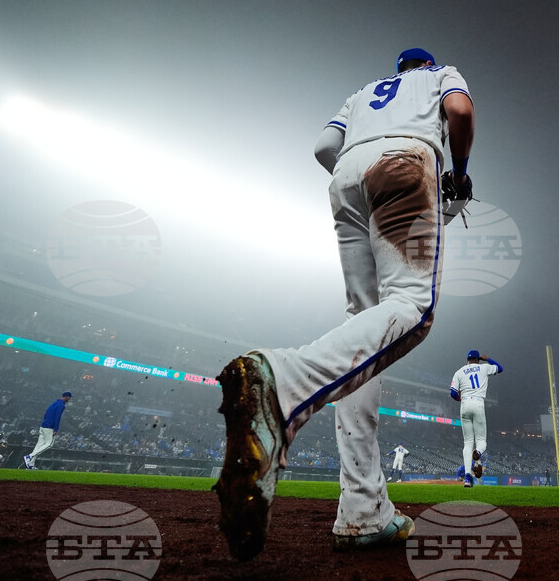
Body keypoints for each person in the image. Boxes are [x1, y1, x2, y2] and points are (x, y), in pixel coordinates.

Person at [214, 47, 475, 561]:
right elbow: (461, 111)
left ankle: (362, 511)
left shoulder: (362, 95)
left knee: (366, 328)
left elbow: (322, 146)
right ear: (425, 66)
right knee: (413, 307)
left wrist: (356, 176)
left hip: (345, 178)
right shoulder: (439, 75)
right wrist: (459, 172)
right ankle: (284, 383)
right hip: (404, 162)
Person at [449, 349, 503, 487]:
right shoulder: (484, 367)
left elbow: (453, 393)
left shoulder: (459, 371)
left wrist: (462, 398)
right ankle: (478, 453)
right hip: (478, 403)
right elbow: (500, 368)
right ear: (478, 359)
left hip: (465, 403)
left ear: (467, 359)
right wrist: (488, 358)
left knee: (467, 442)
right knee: (481, 441)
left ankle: (467, 478)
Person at [25, 391, 72, 469]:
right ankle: (30, 456)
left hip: (43, 425)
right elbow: (57, 417)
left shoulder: (54, 402)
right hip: (49, 427)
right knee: (49, 444)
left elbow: (46, 413)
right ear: (66, 397)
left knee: (39, 445)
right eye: (69, 397)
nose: (70, 399)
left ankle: (31, 464)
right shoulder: (61, 405)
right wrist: (56, 428)